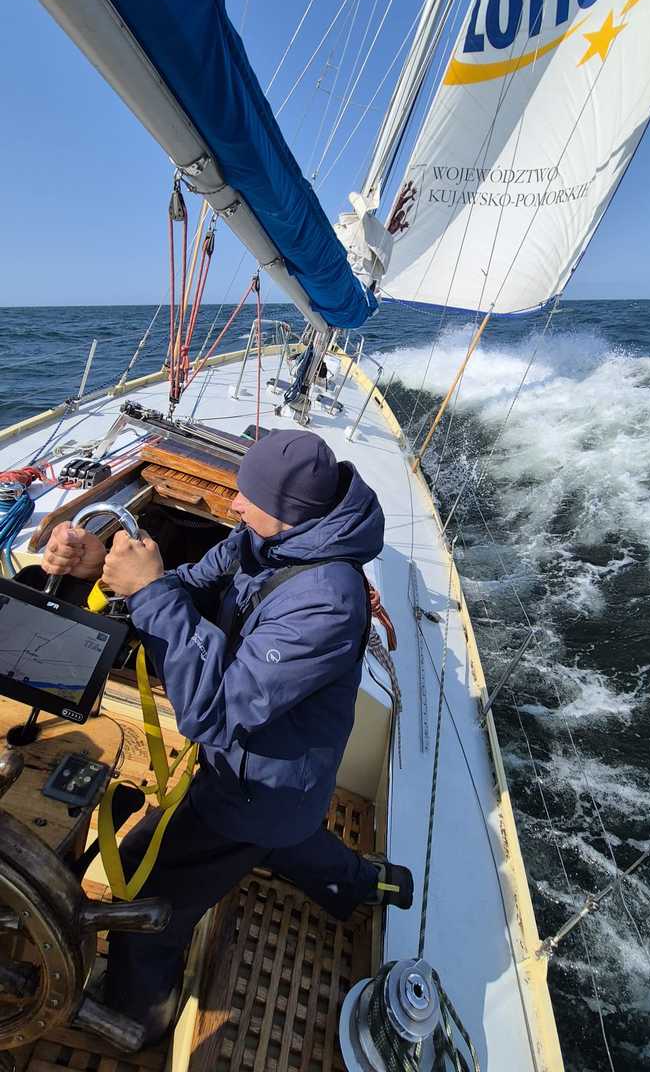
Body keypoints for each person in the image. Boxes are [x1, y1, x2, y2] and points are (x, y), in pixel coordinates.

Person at [43, 429, 412, 1041]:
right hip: (278, 777)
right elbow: (192, 585)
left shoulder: (327, 602)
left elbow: (214, 709)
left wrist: (151, 591)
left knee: (146, 880)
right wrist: (104, 572)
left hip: (253, 790)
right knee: (285, 835)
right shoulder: (264, 539)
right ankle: (362, 884)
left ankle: (135, 1015)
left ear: (292, 513)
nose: (233, 505)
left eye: (248, 496)